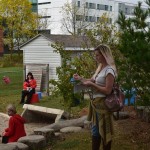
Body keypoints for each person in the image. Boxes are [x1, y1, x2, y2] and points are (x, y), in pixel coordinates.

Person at [73, 44, 117, 150]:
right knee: (95, 131)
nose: (96, 57)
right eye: (95, 55)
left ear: (104, 55)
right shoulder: (100, 68)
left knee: (105, 131)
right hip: (96, 104)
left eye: (97, 55)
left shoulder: (109, 70)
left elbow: (108, 90)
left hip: (103, 104)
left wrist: (92, 85)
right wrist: (80, 78)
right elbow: (92, 80)